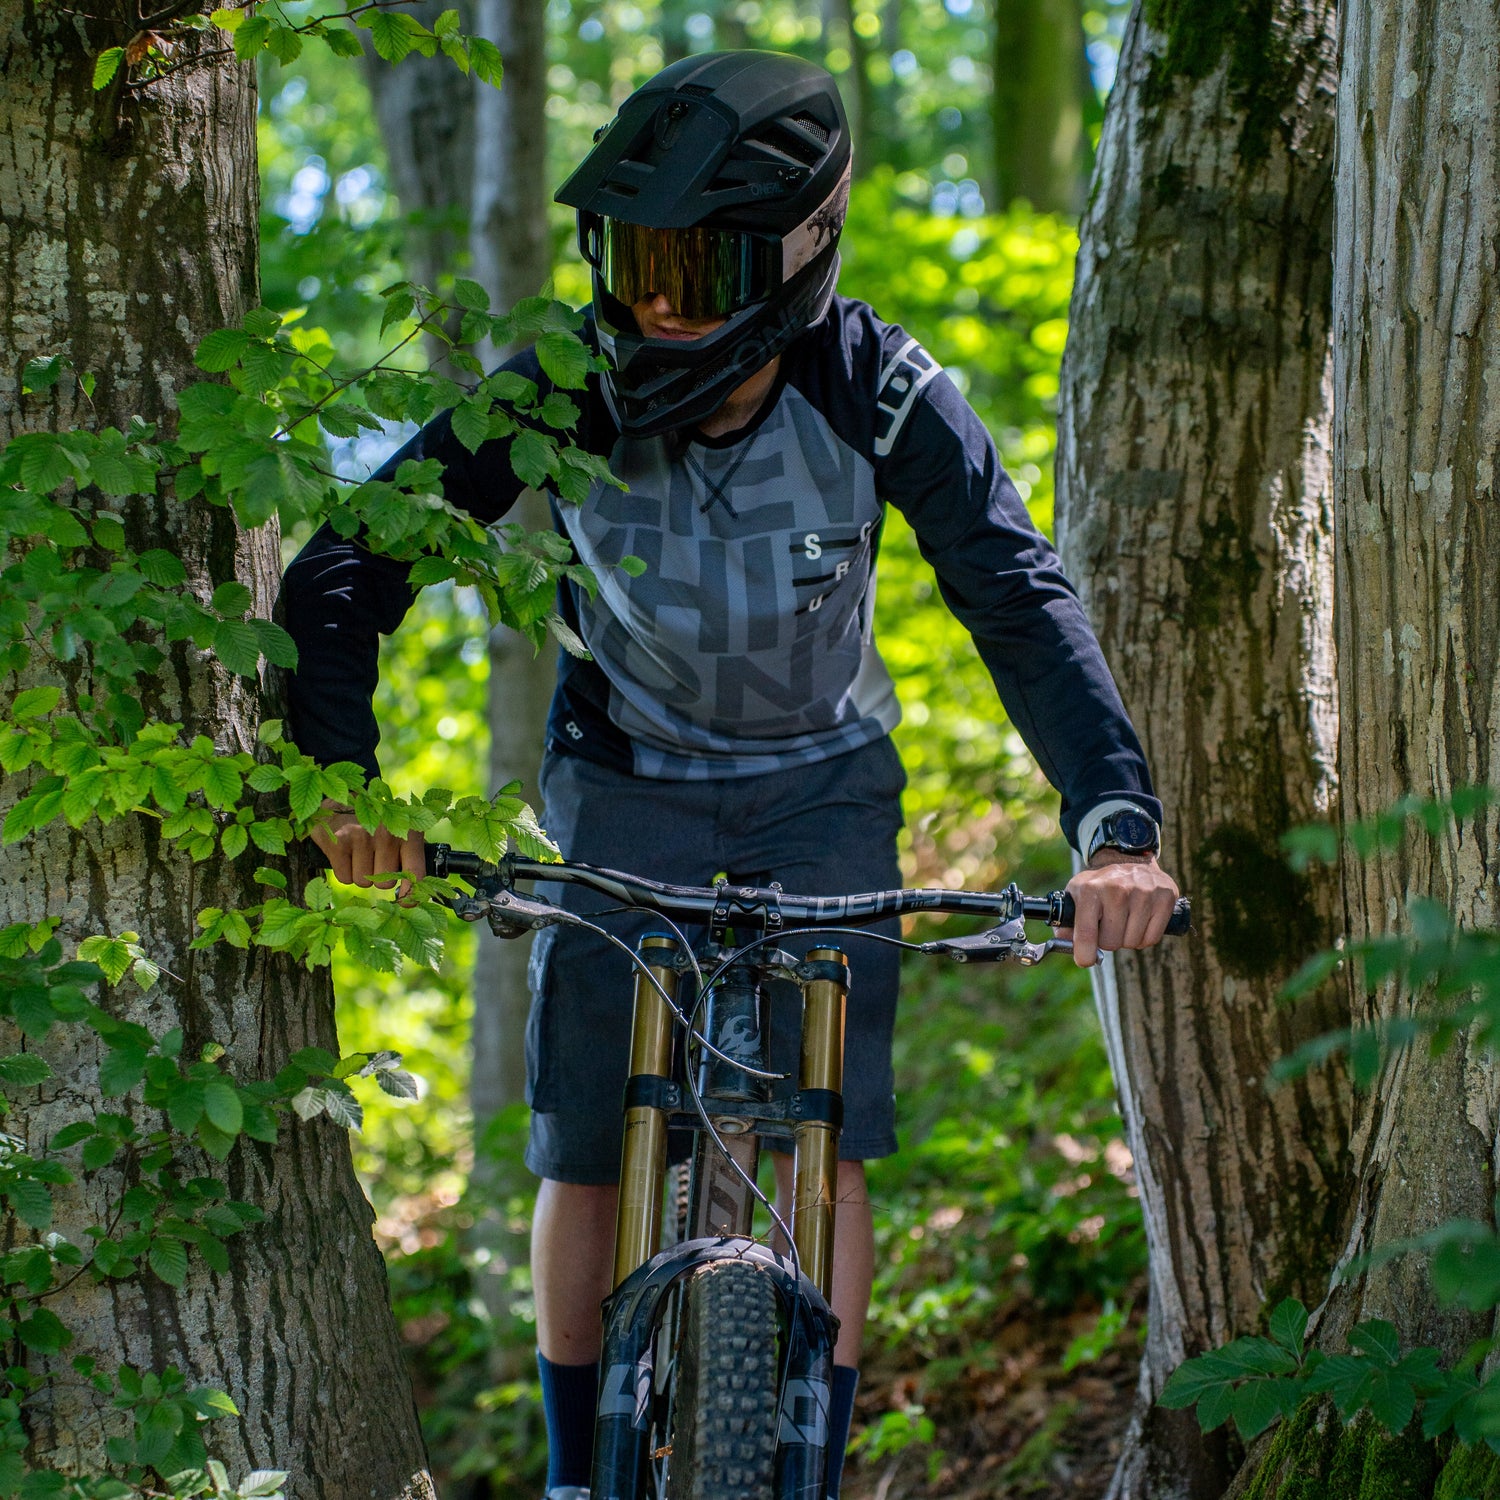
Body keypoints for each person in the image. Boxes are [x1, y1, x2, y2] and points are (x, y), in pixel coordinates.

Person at [281, 49, 1179, 1500]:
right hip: (621, 776)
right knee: (584, 1142)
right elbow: (348, 561)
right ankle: (579, 1473)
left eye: (698, 267)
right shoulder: (560, 392)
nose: (657, 301)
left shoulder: (880, 390)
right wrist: (343, 785)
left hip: (825, 781)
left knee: (818, 1135)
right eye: (638, 258)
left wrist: (1116, 822)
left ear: (797, 256)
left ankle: (803, 1454)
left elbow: (1018, 597)